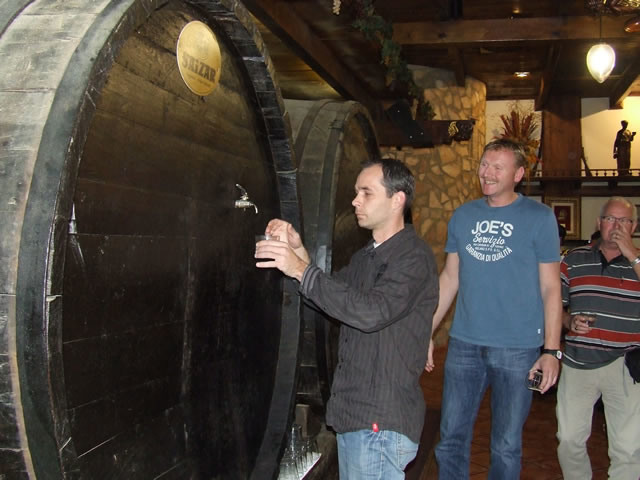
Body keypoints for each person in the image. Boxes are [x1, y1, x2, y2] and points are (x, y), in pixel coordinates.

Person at [255, 157, 439, 479]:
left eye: (366, 193)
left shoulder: (412, 257)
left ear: (397, 199)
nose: (355, 200)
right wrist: (299, 253)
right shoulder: (366, 257)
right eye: (356, 192)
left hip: (380, 424)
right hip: (358, 419)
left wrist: (299, 268)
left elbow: (370, 313)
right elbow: (331, 296)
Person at [425, 138, 563, 479]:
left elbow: (551, 288)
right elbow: (450, 278)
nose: (487, 173)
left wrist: (551, 351)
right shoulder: (464, 215)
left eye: (497, 167)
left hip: (517, 349)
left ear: (518, 174)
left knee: (505, 445)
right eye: (484, 164)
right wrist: (425, 331)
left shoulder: (540, 217)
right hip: (464, 344)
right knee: (450, 439)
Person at [556, 196, 640, 480]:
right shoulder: (574, 259)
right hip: (578, 361)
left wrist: (632, 255)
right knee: (569, 439)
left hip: (626, 364)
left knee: (628, 448)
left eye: (623, 221)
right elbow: (554, 307)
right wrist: (568, 321)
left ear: (634, 226)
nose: (616, 226)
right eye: (610, 219)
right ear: (598, 223)